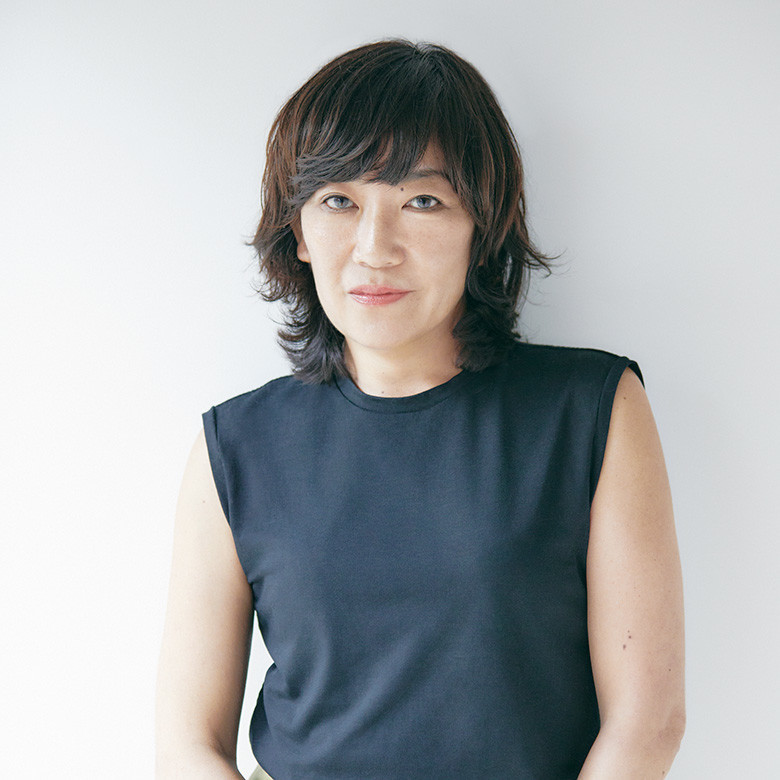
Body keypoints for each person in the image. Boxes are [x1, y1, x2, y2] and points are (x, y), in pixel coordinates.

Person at [155, 39, 685, 779]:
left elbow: (647, 722)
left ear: (482, 227)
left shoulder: (592, 411)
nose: (375, 248)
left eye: (422, 201)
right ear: (298, 230)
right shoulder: (236, 445)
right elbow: (187, 745)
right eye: (339, 200)